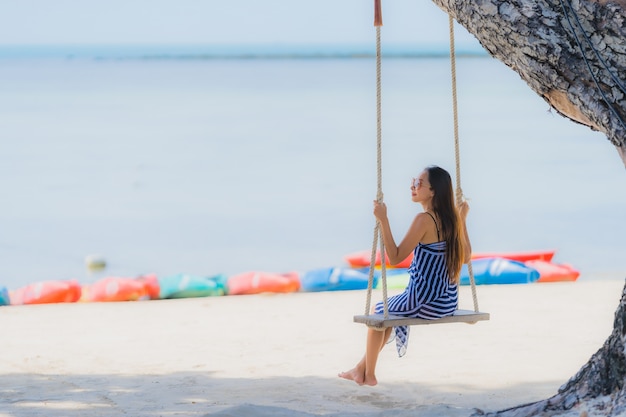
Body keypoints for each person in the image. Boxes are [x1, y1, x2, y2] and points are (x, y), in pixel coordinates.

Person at [338, 165, 471, 386]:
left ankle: (368, 375)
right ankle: (360, 369)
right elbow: (466, 257)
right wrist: (463, 220)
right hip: (447, 301)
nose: (412, 186)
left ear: (433, 191)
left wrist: (384, 219)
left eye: (419, 183)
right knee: (389, 310)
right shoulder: (451, 219)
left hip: (425, 300)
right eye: (413, 181)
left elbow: (395, 257)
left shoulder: (424, 219)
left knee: (379, 311)